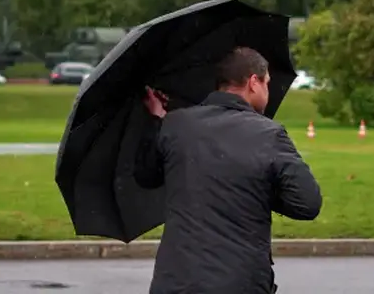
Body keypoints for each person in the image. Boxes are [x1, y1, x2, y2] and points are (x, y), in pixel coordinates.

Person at [135, 46, 322, 294]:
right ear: (253, 82)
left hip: (176, 280)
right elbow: (307, 203)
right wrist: (259, 190)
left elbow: (145, 176)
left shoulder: (176, 124)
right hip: (240, 280)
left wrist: (156, 120)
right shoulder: (268, 134)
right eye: (267, 83)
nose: (267, 90)